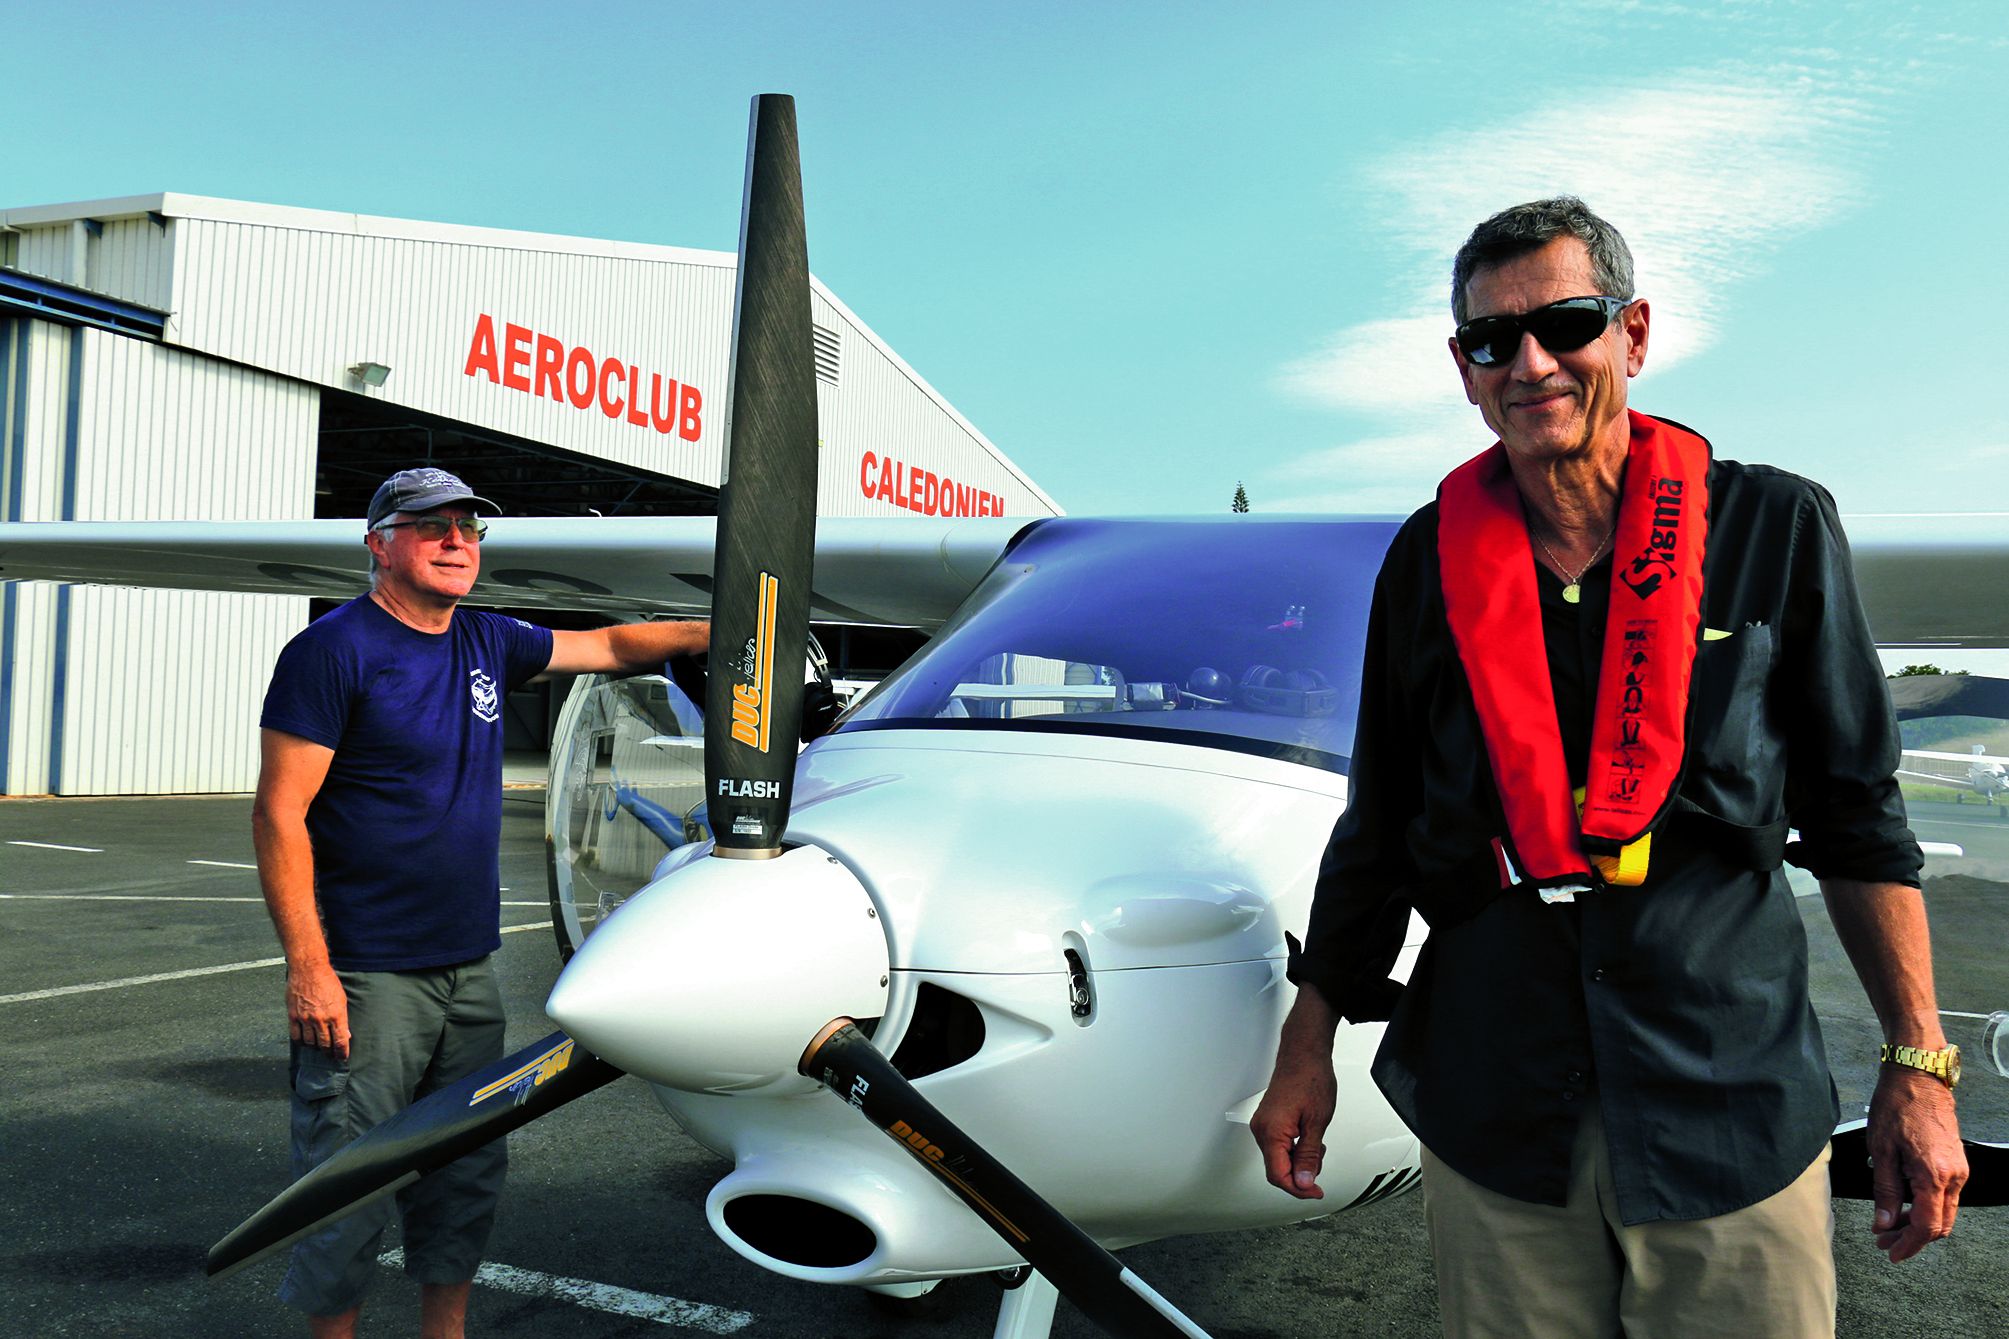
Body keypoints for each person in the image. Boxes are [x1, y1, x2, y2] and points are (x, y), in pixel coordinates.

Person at [1251, 198, 1967, 1337]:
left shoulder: (1770, 527)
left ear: (1630, 335)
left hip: (1722, 1096)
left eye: (1565, 324)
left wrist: (1918, 1066)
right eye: (1492, 340)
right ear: (1462, 368)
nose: (1529, 362)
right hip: (1499, 1108)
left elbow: (1855, 817)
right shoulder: (1422, 564)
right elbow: (1378, 824)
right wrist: (1303, 1052)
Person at [252, 467, 708, 1339]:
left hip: (469, 967)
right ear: (379, 542)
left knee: (464, 1173)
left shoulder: (486, 640)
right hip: (366, 974)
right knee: (347, 1183)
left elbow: (610, 646)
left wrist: (723, 632)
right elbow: (279, 812)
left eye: (468, 526)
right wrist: (308, 968)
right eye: (432, 526)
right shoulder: (331, 651)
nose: (457, 540)